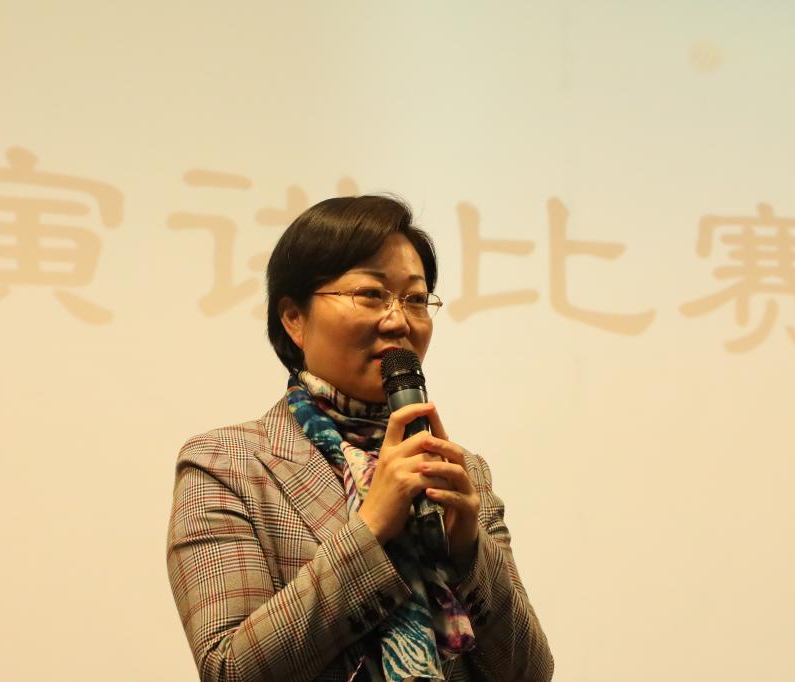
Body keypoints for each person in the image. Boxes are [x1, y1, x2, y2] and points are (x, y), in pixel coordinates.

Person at [166, 195, 554, 681]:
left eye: (416, 299)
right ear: (294, 318)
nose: (398, 320)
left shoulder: (460, 472)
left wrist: (467, 549)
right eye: (371, 294)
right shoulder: (226, 465)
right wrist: (371, 529)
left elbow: (530, 673)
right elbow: (229, 670)